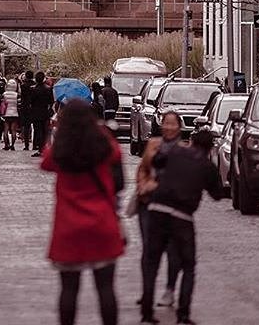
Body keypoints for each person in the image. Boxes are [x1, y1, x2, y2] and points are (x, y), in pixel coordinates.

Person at [41, 99, 124, 325]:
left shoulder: (60, 150)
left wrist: (55, 131)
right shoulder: (103, 145)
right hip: (102, 223)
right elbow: (117, 155)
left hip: (69, 227)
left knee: (69, 289)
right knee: (106, 288)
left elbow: (45, 161)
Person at [140, 128, 222, 325]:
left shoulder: (175, 151)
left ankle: (146, 313)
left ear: (192, 142)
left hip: (157, 209)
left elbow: (156, 161)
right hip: (182, 216)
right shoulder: (206, 165)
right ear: (210, 148)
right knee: (188, 266)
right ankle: (183, 315)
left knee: (152, 263)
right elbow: (217, 194)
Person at [135, 110, 184, 311]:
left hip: (172, 207)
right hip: (148, 204)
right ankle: (147, 292)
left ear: (179, 127)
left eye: (173, 124)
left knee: (173, 251)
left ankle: (170, 289)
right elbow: (142, 169)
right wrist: (143, 184)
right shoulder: (153, 144)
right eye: (166, 123)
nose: (169, 127)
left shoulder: (184, 150)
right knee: (148, 250)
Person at [30, 71, 54, 156]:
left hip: (36, 111)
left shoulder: (33, 89)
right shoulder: (48, 88)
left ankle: (40, 148)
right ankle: (44, 148)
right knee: (45, 131)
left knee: (37, 130)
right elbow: (51, 101)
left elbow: (31, 101)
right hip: (45, 111)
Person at [2, 78, 20, 150]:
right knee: (13, 130)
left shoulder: (4, 94)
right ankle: (12, 145)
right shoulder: (17, 95)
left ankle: (6, 144)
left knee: (5, 130)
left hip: (6, 114)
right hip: (14, 113)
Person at [19, 70, 35, 150]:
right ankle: (36, 144)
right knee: (36, 126)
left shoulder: (23, 85)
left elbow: (23, 97)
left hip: (25, 107)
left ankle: (26, 145)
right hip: (34, 107)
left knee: (26, 126)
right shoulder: (35, 85)